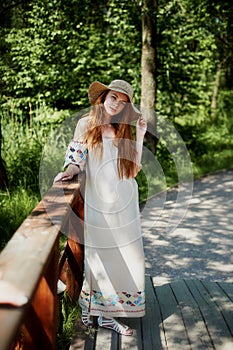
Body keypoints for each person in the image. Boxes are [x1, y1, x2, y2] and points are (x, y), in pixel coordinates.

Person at [54, 79, 147, 336]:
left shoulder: (121, 128)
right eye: (113, 97)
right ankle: (96, 310)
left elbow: (133, 169)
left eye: (123, 101)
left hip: (124, 201)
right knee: (100, 255)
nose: (117, 103)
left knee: (126, 255)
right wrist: (69, 171)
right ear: (103, 97)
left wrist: (138, 135)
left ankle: (103, 313)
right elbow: (77, 158)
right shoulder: (86, 123)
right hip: (99, 201)